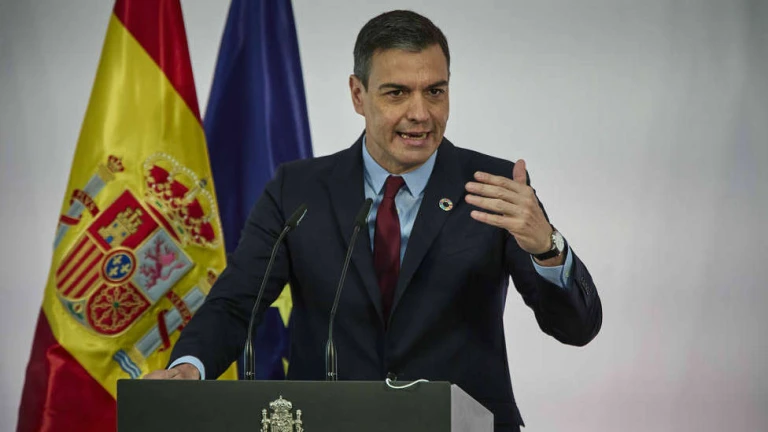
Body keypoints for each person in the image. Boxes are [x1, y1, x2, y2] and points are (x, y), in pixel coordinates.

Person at [146, 10, 602, 431]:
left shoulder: (494, 186)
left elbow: (576, 329)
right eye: (397, 93)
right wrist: (190, 367)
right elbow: (236, 303)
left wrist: (547, 247)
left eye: (435, 91)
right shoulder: (298, 191)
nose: (420, 114)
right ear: (358, 94)